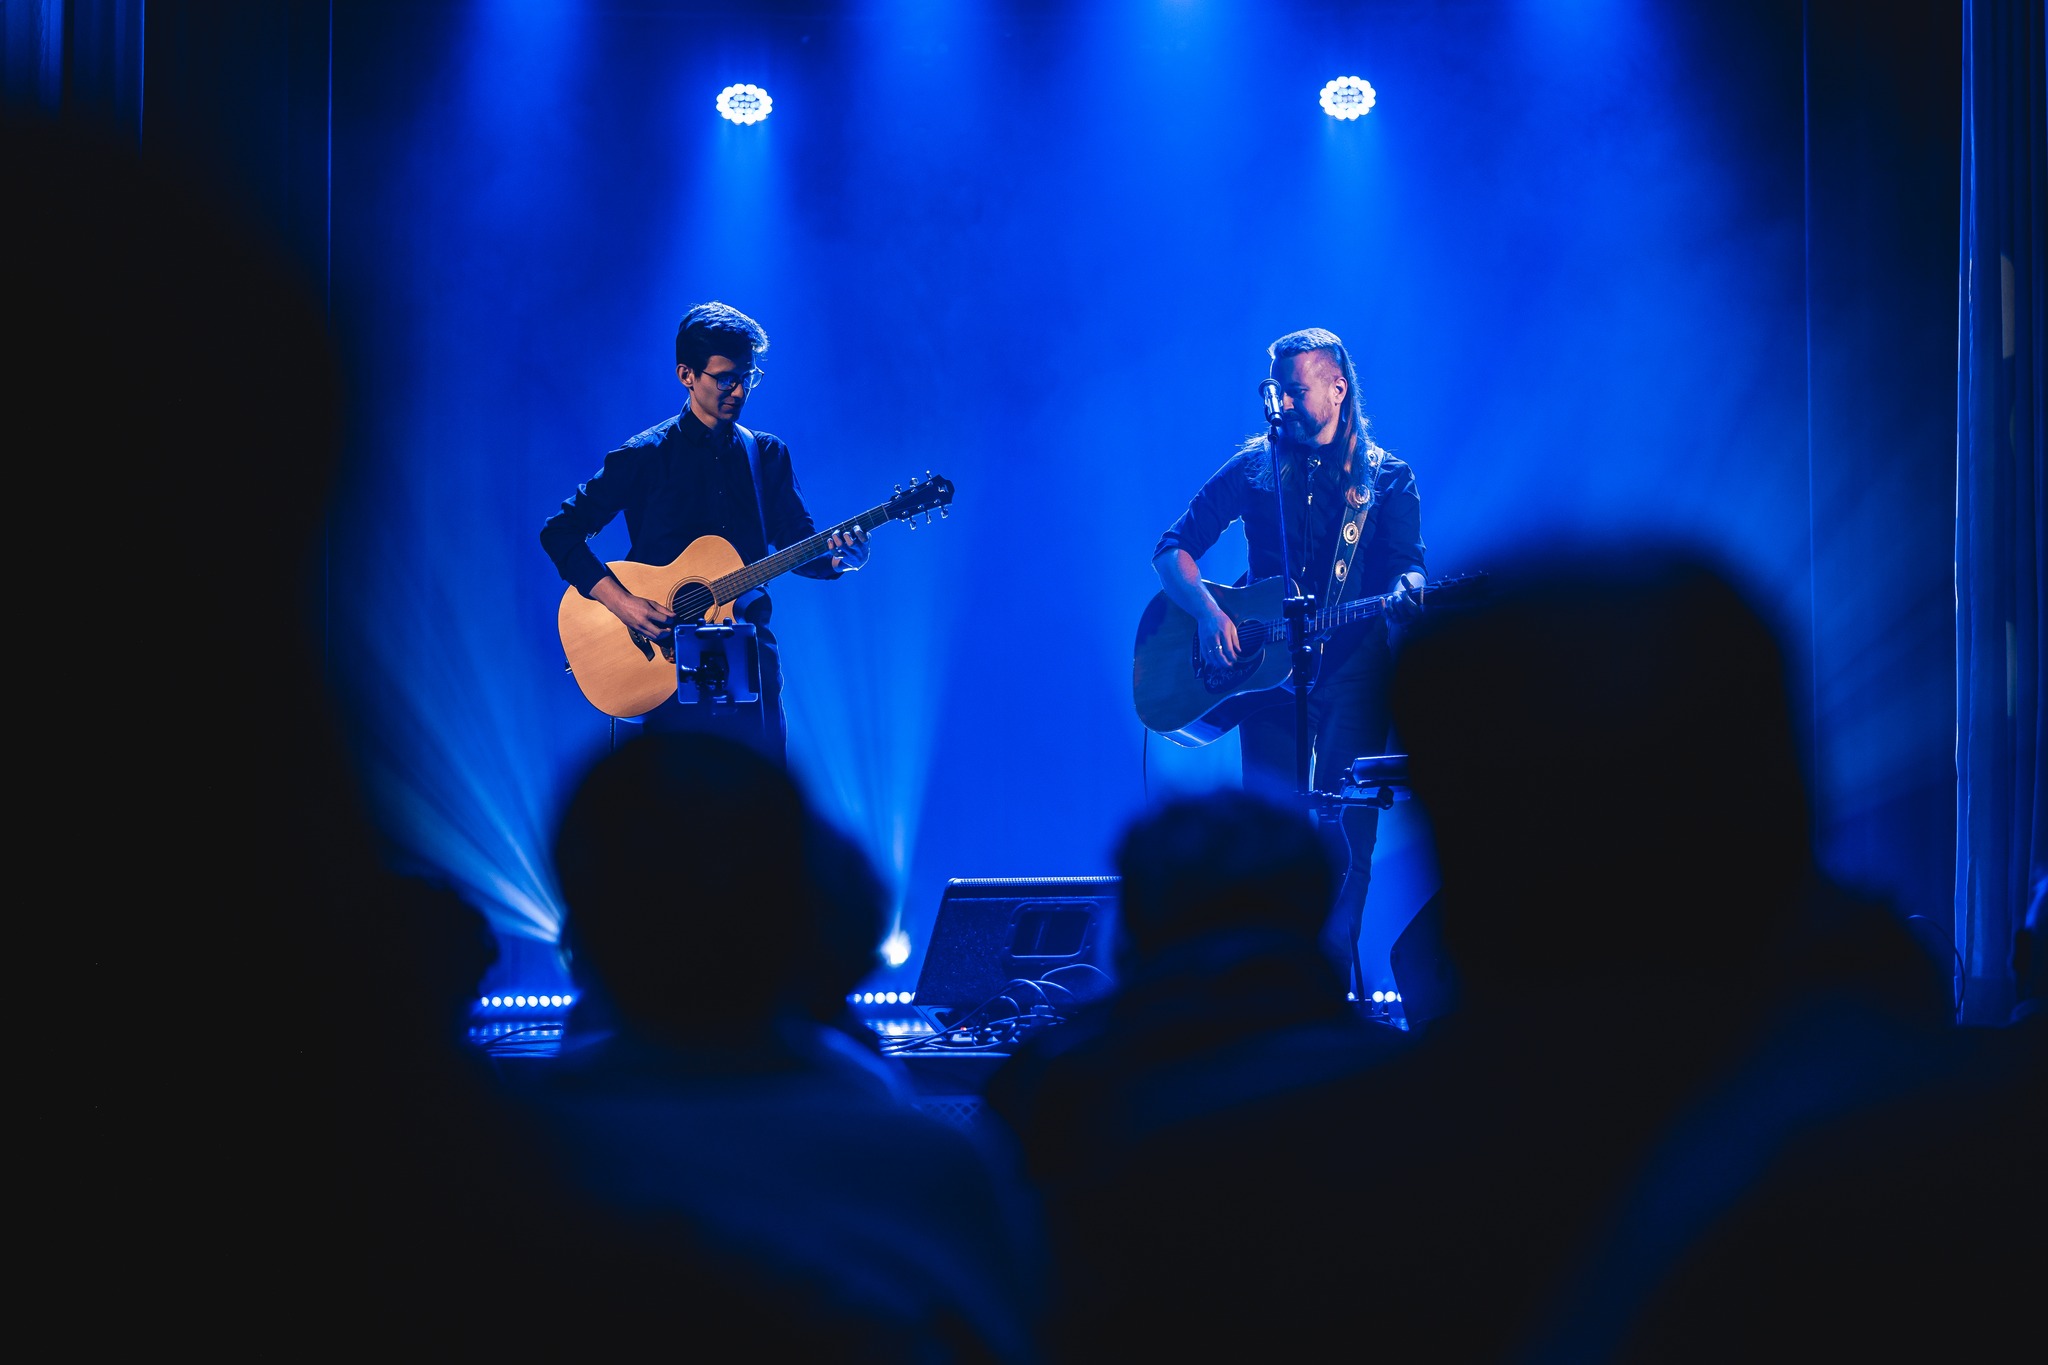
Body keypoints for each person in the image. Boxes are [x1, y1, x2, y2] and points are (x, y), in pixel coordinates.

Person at [1151, 327, 1425, 994]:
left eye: (1295, 390)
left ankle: (1324, 985)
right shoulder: (1254, 467)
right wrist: (1211, 613)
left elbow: (1408, 569)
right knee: (1266, 833)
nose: (1283, 404)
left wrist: (1409, 592)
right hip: (1267, 672)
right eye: (1275, 390)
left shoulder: (1386, 478)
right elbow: (1172, 549)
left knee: (1345, 828)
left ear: (1338, 388)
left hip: (1354, 667)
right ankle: (1265, 981)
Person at [540, 301, 868, 764]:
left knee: (753, 805)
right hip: (661, 656)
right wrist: (625, 605)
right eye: (725, 378)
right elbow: (560, 532)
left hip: (743, 649)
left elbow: (797, 543)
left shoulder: (766, 455)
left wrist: (840, 559)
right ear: (686, 375)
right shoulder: (645, 455)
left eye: (747, 377)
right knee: (667, 813)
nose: (738, 391)